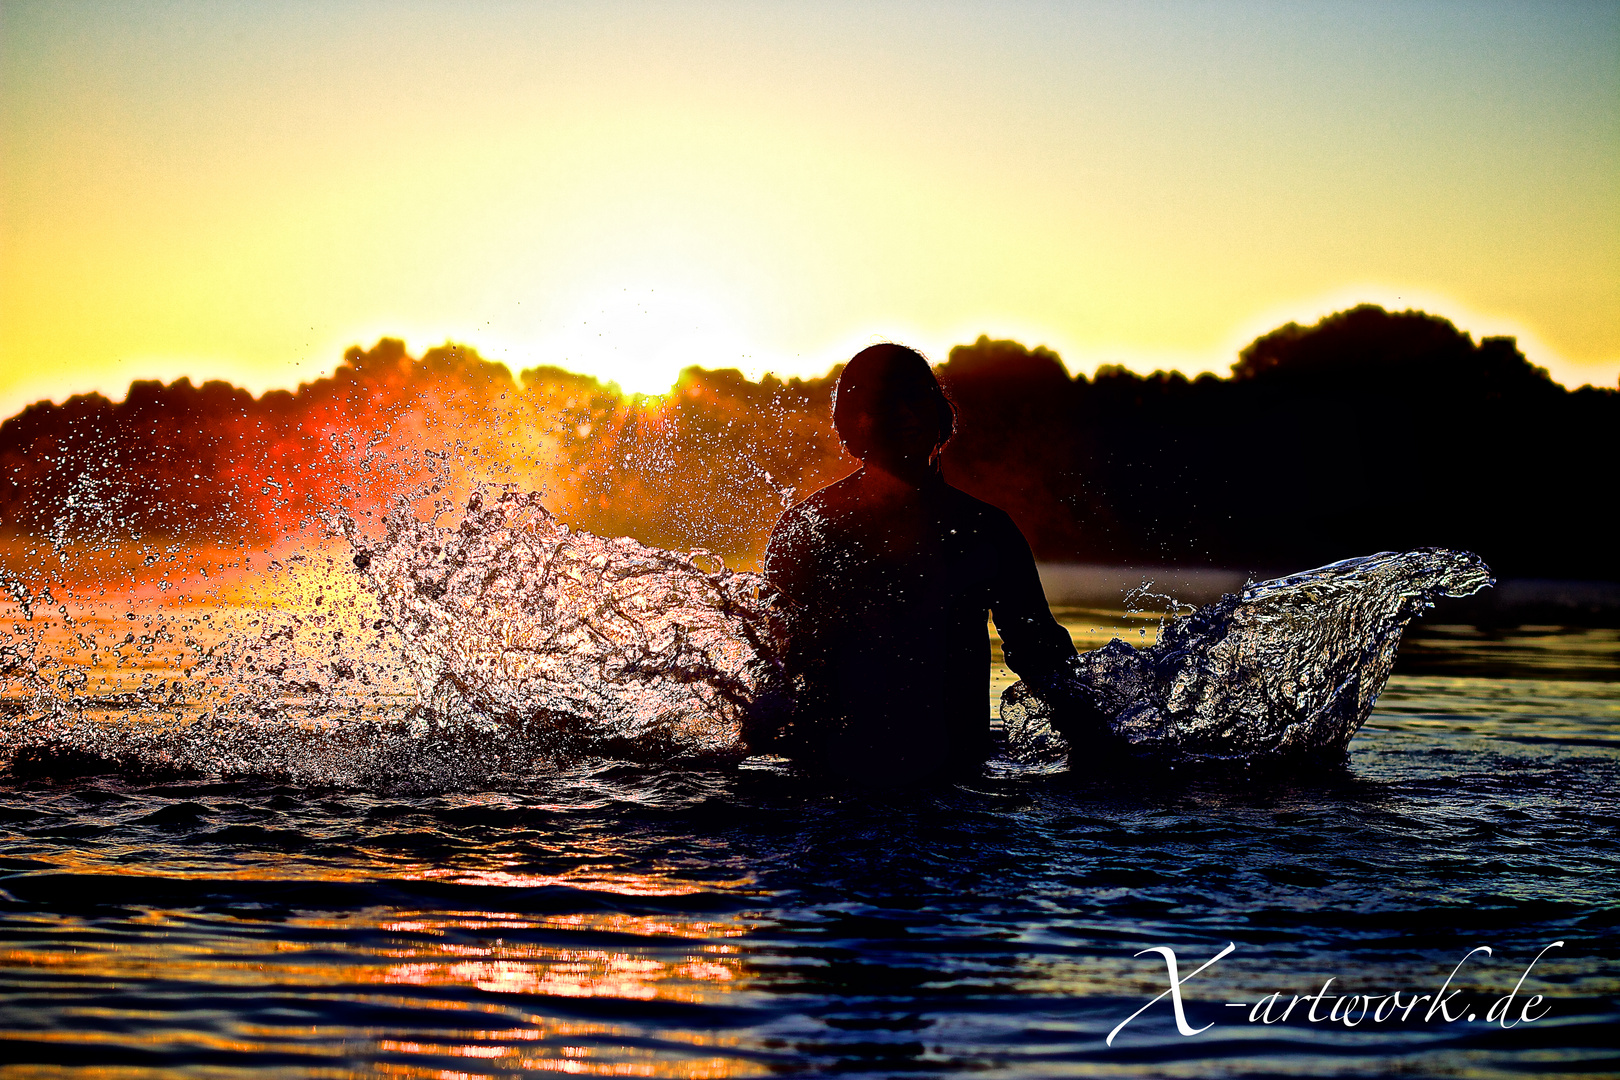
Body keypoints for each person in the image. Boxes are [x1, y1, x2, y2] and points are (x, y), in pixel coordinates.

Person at [757, 342, 1091, 783]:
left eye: (915, 396)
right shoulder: (810, 528)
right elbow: (773, 677)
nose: (903, 413)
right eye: (884, 400)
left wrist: (1102, 751)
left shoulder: (986, 532)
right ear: (850, 423)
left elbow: (1045, 661)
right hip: (831, 785)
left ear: (942, 416)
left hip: (955, 785)